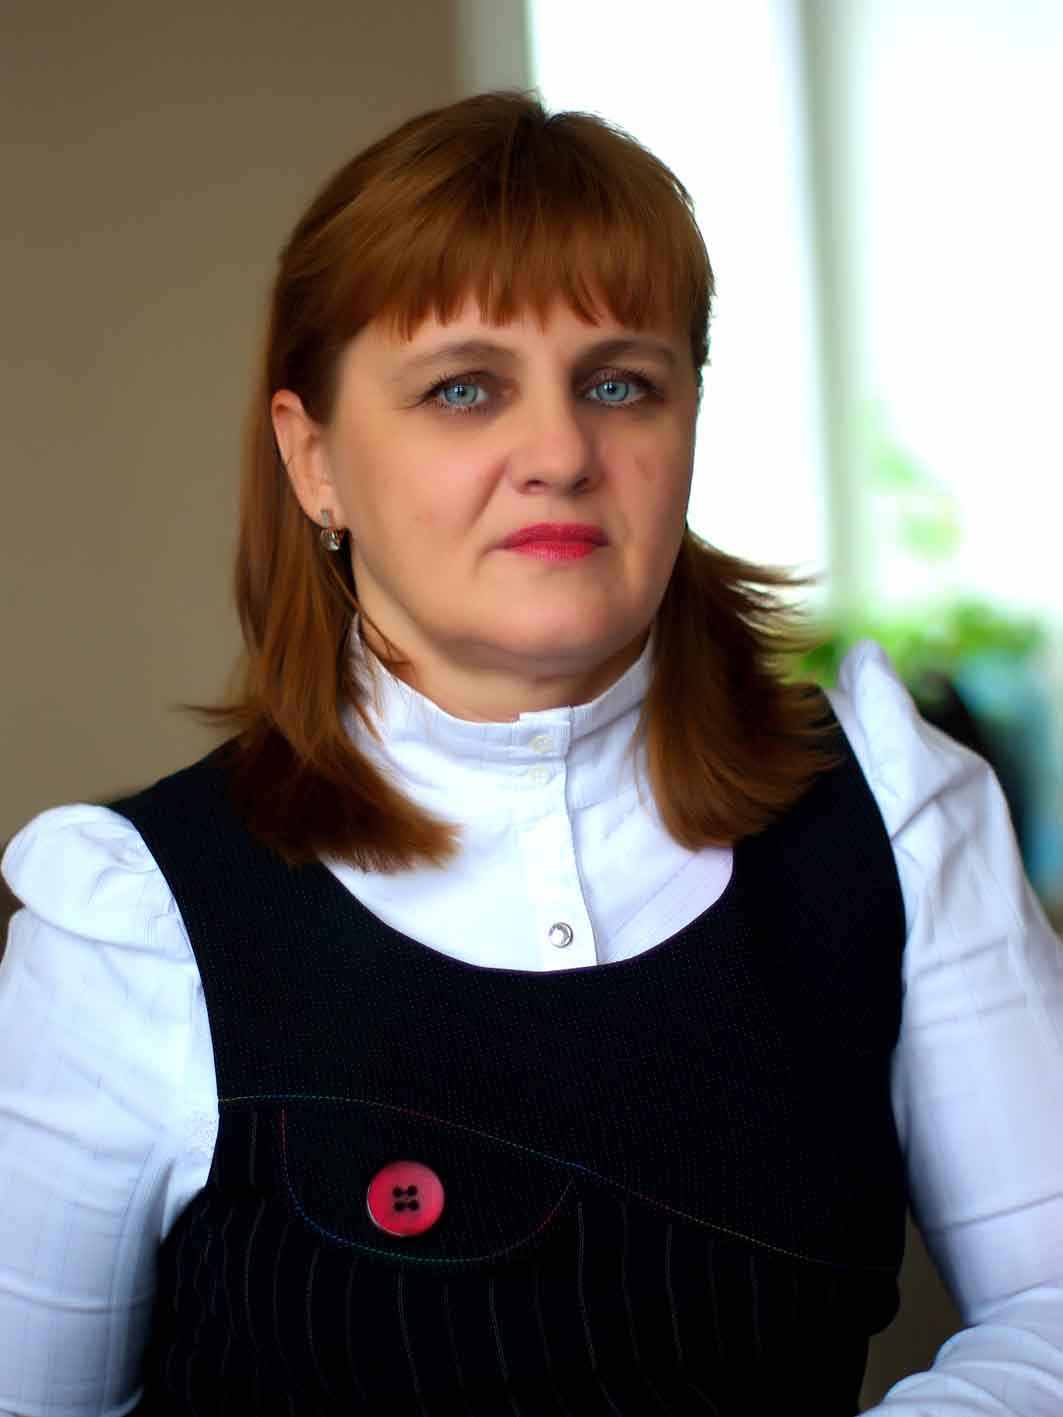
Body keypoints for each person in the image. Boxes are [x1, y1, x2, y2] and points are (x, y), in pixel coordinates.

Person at [1, 89, 1061, 1417]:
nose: (560, 452)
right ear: (314, 460)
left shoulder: (894, 818)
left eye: (620, 384)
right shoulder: (133, 920)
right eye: (464, 388)